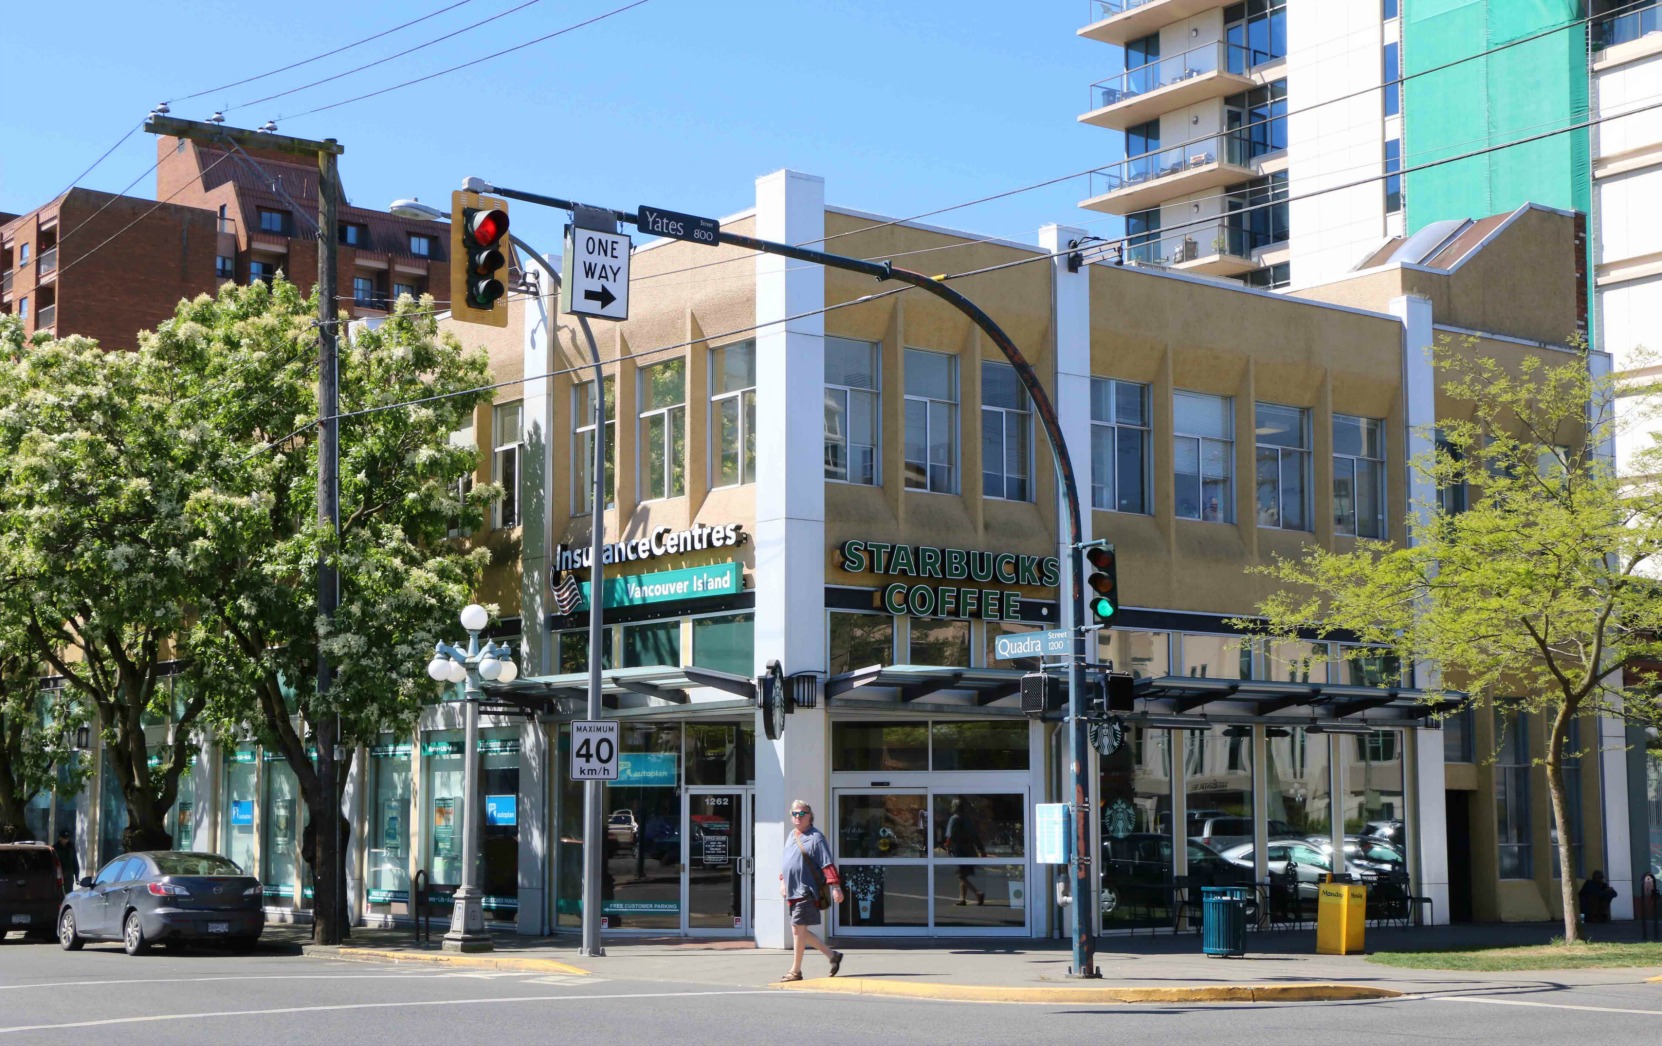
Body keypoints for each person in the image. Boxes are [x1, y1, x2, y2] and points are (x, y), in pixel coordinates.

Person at [778, 800, 843, 982]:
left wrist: (836, 887)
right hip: (792, 890)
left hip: (807, 890)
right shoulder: (792, 835)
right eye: (795, 814)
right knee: (799, 930)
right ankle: (832, 956)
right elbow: (786, 862)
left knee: (798, 930)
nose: (798, 817)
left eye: (802, 814)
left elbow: (827, 863)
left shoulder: (816, 838)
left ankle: (795, 971)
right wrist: (782, 881)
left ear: (810, 816)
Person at [943, 798, 987, 905]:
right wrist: (981, 849)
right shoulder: (968, 819)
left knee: (960, 875)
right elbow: (975, 836)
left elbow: (950, 836)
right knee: (963, 875)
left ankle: (977, 893)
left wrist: (947, 846)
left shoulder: (954, 819)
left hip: (959, 851)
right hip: (970, 850)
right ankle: (962, 898)